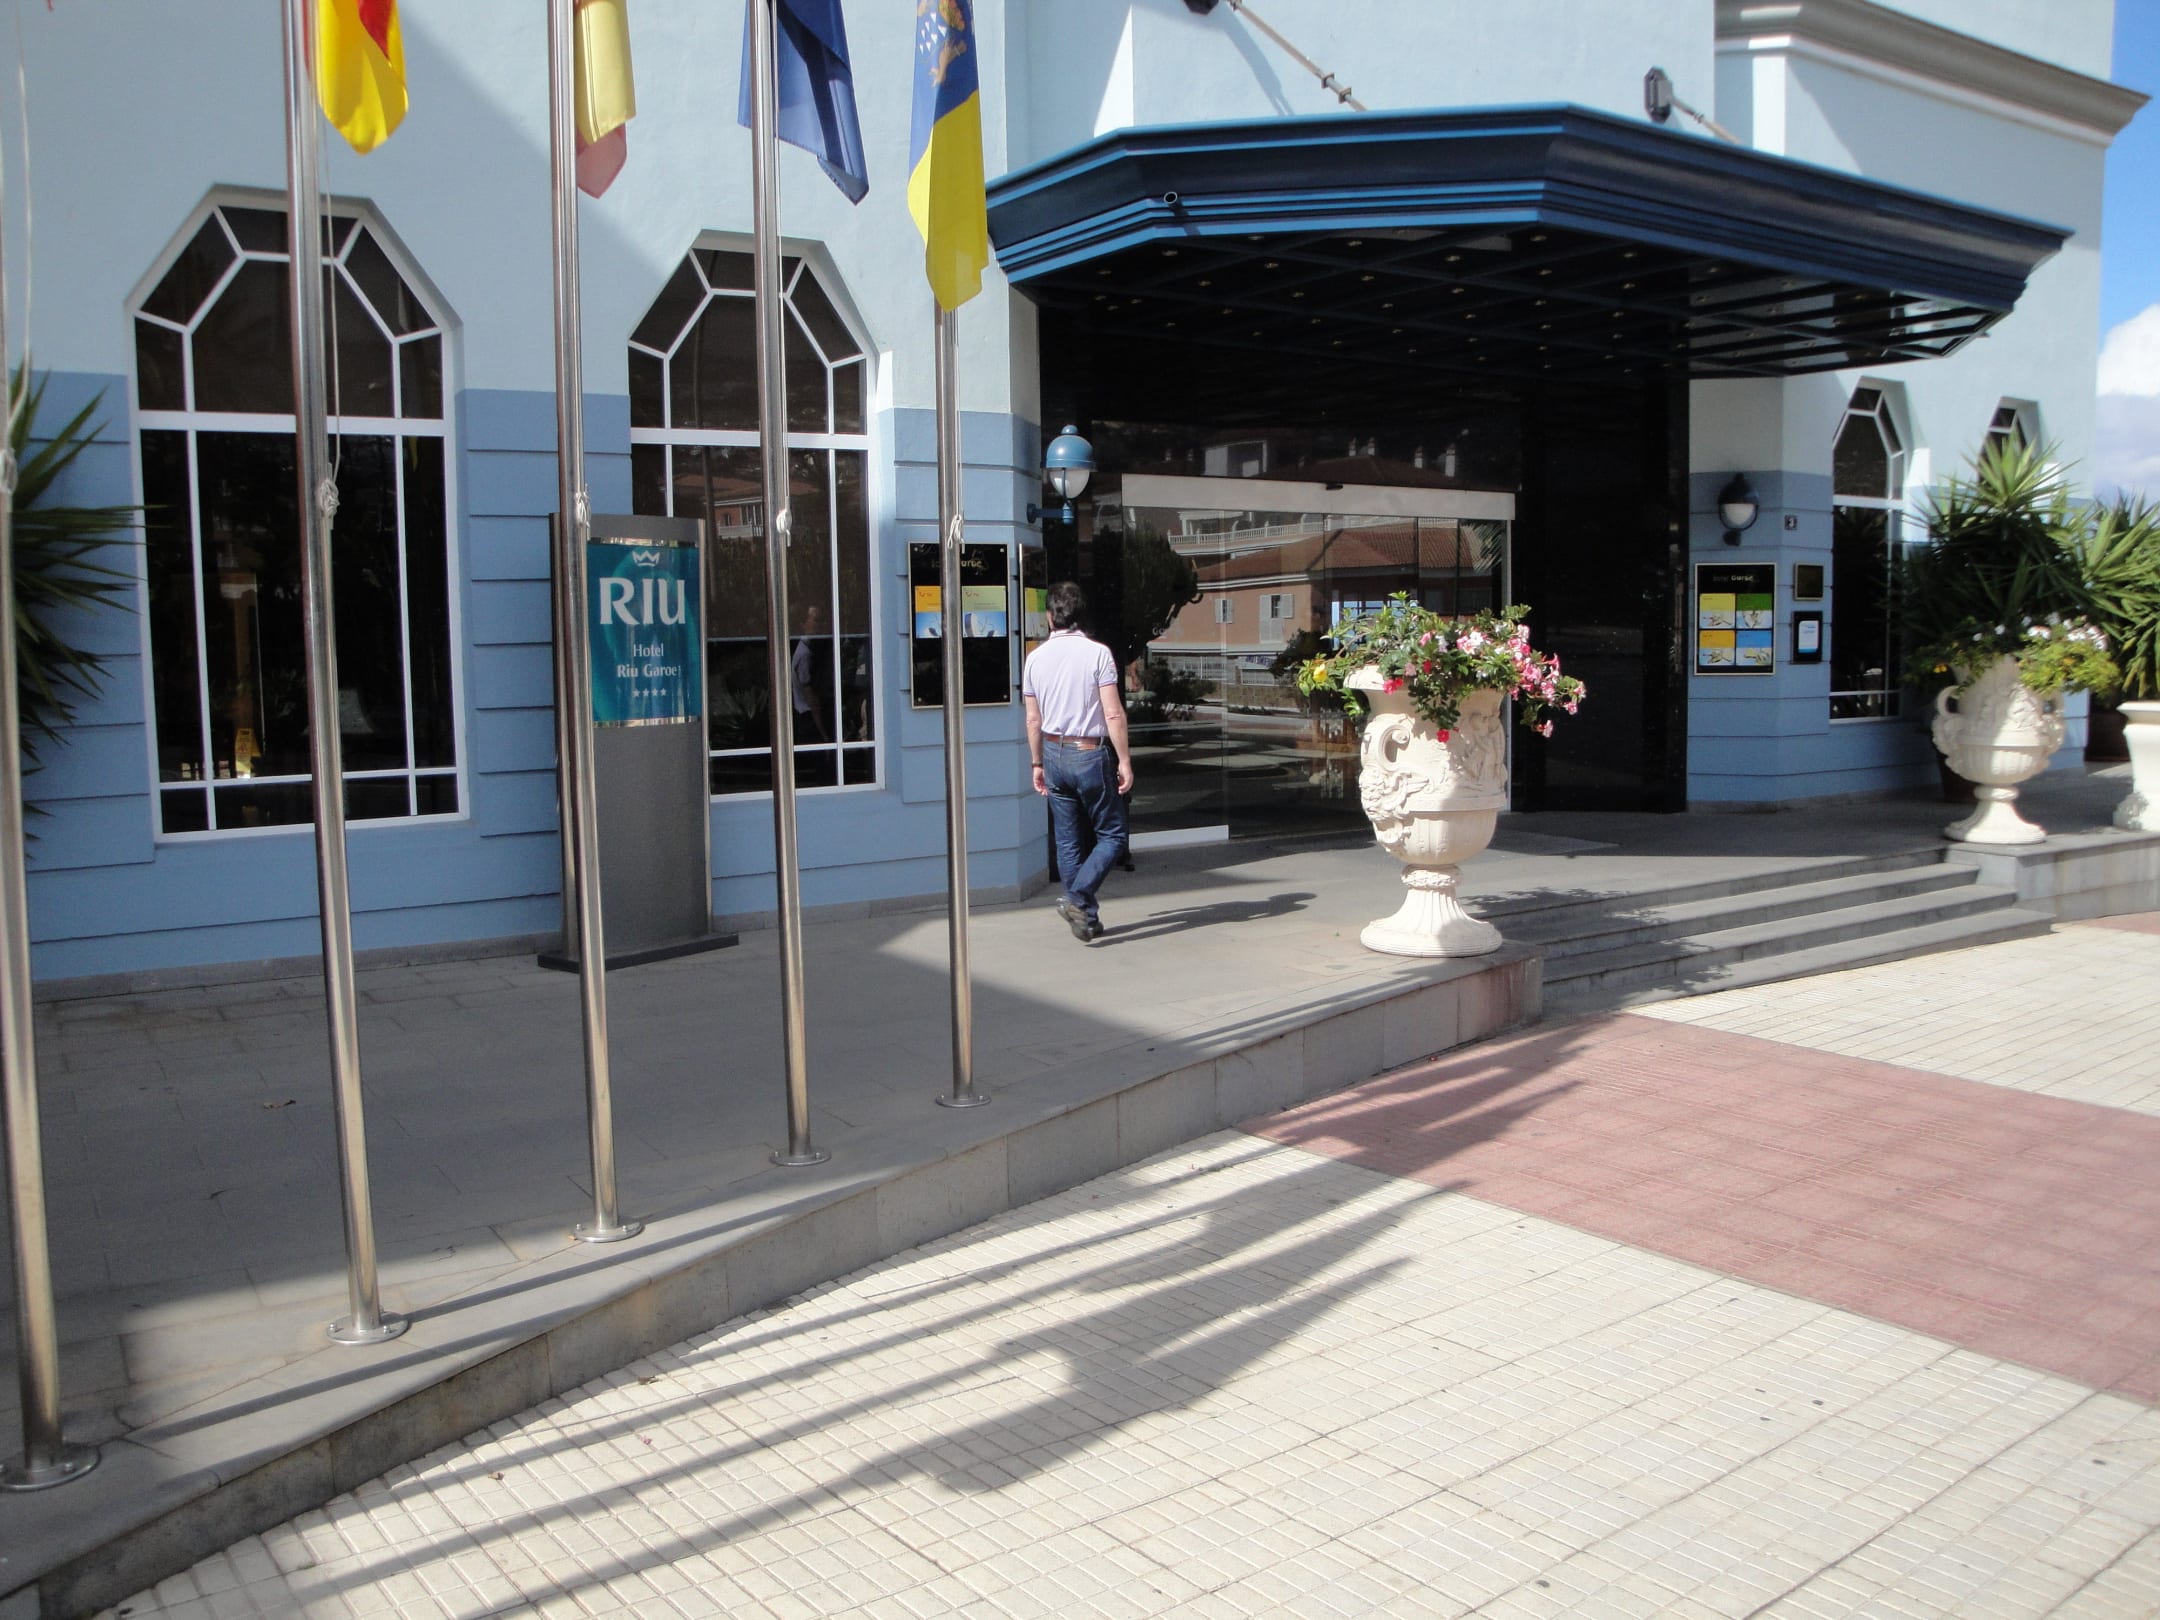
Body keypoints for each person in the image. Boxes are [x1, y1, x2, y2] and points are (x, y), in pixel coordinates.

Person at [1023, 580, 1133, 942]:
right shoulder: (1098, 654)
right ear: (1081, 615)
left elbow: (1033, 719)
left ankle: (1085, 918)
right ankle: (1078, 898)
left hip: (1053, 752)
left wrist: (1036, 763)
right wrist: (1124, 760)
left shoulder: (1034, 658)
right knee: (1113, 834)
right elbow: (1113, 713)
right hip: (1088, 752)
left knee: (1068, 841)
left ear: (1049, 617)